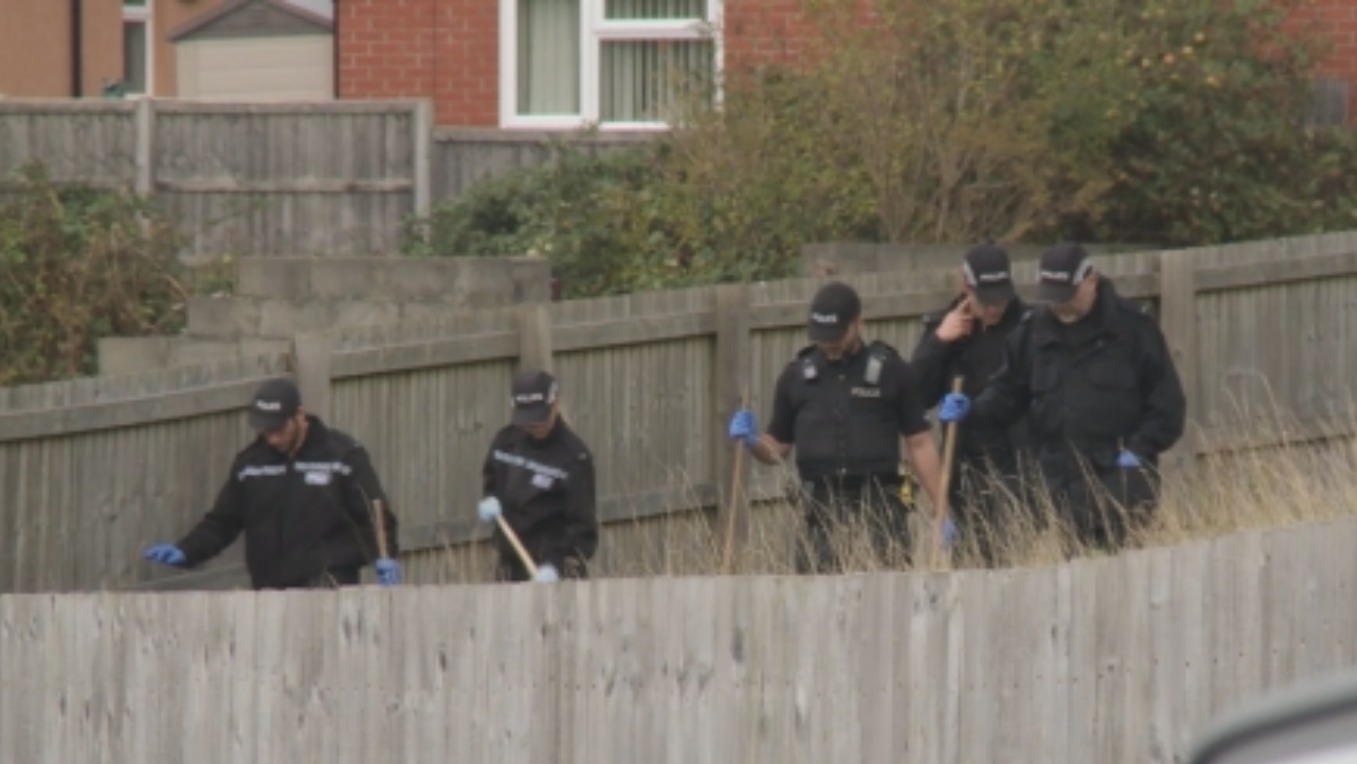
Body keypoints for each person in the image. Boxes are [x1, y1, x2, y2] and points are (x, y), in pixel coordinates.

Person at [939, 242, 1186, 552]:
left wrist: (1139, 451)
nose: (1059, 304)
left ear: (1090, 281)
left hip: (1122, 486)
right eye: (1052, 296)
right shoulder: (1032, 333)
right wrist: (973, 410)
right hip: (1058, 493)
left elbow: (1167, 407)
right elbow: (1006, 395)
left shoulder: (1133, 330)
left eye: (1067, 295)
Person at [728, 281, 949, 573]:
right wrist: (753, 441)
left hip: (880, 508)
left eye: (836, 336)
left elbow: (920, 443)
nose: (829, 345)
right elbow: (777, 449)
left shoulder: (893, 372)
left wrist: (941, 510)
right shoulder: (795, 377)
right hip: (820, 510)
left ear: (858, 324)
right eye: (822, 337)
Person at [142, 377, 402, 589]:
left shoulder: (342, 457)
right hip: (269, 591)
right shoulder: (251, 465)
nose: (273, 439)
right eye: (266, 431)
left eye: (279, 430)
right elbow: (223, 522)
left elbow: (375, 515)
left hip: (327, 586)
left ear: (299, 416)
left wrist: (384, 556)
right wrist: (187, 551)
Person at [911, 243, 1032, 565]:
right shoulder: (944, 329)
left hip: (1019, 470)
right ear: (966, 287)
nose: (994, 308)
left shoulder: (1029, 327)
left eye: (1000, 300)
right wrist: (938, 343)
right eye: (986, 301)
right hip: (964, 473)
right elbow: (915, 397)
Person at [476, 370, 599, 582]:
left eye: (541, 418)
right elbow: (492, 482)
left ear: (556, 404)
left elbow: (583, 531)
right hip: (511, 565)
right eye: (530, 422)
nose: (536, 427)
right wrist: (491, 499)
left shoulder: (574, 457)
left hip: (554, 572)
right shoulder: (505, 443)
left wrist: (557, 567)